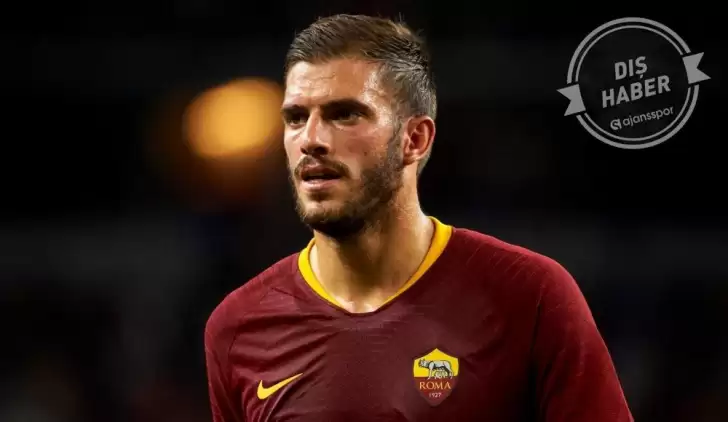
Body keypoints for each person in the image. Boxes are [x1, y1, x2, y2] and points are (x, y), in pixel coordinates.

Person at [204, 14, 633, 422]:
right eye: (296, 118)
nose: (311, 139)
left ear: (414, 139)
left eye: (345, 114)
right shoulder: (237, 328)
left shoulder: (531, 297)